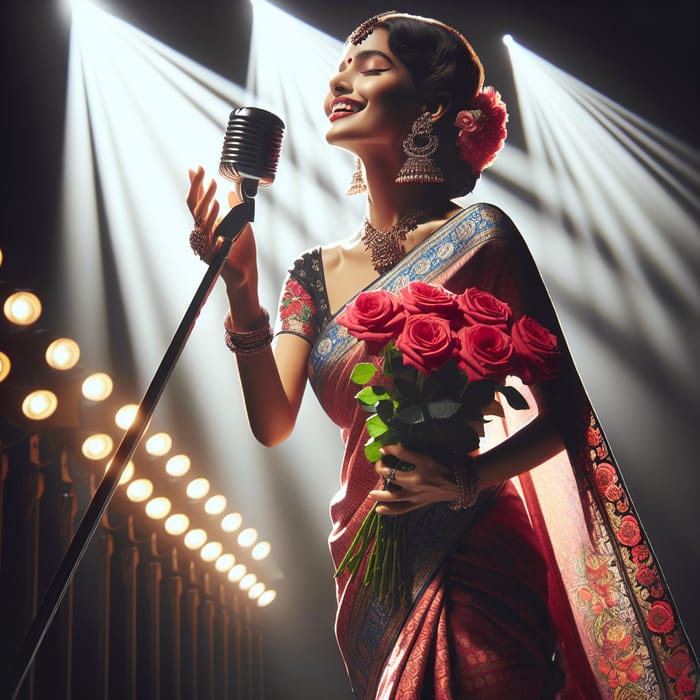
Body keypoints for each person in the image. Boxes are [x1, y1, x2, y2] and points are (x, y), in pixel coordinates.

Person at [186, 11, 698, 699]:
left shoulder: (481, 238)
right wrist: (240, 288)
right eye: (342, 63)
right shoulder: (311, 272)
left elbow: (568, 412)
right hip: (370, 563)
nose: (342, 76)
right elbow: (272, 422)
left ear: (429, 107)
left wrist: (465, 479)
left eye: (372, 65)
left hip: (475, 557)